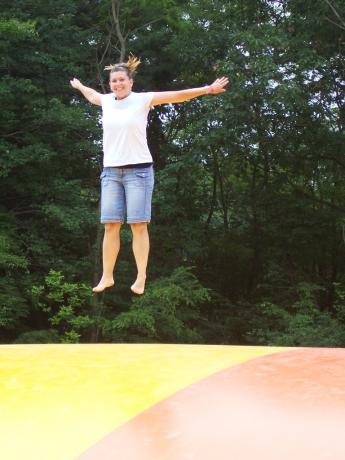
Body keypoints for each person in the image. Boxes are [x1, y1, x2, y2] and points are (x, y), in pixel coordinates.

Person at [70, 56, 228, 295]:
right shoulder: (106, 101)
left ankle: (141, 276)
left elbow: (177, 95)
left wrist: (208, 89)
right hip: (111, 172)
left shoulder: (142, 99)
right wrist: (80, 86)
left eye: (122, 79)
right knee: (110, 225)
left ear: (131, 81)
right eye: (114, 80)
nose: (118, 84)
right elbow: (92, 95)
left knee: (138, 225)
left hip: (139, 171)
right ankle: (107, 275)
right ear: (110, 83)